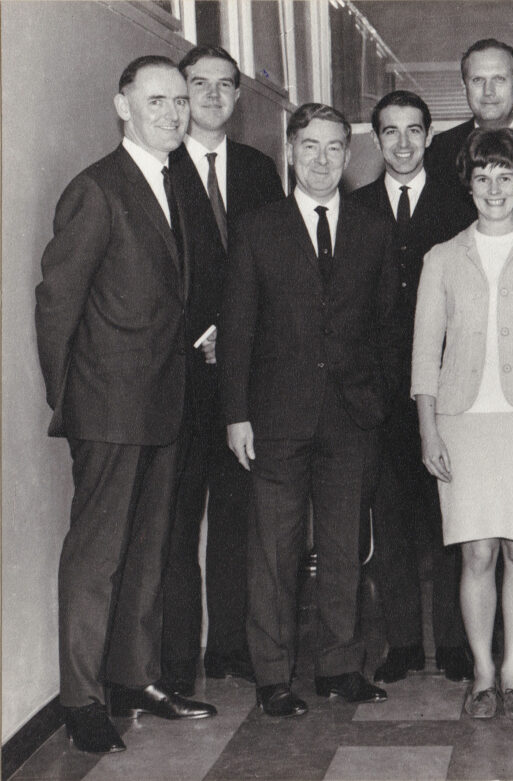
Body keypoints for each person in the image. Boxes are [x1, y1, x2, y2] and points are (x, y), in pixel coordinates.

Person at [34, 55, 216, 755]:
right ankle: (81, 699)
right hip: (108, 409)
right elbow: (57, 306)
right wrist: (73, 401)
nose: (172, 113)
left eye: (179, 102)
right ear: (123, 106)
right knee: (96, 558)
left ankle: (134, 678)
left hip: (165, 401)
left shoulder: (175, 182)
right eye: (157, 100)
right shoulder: (97, 189)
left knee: (148, 552)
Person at [218, 103, 404, 718]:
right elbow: (239, 328)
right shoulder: (256, 226)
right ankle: (273, 676)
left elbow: (384, 326)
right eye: (309, 148)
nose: (322, 161)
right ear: (289, 152)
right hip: (274, 418)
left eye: (333, 149)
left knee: (345, 547)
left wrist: (375, 398)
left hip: (352, 417)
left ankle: (339, 666)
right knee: (273, 550)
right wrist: (236, 414)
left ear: (348, 157)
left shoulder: (374, 228)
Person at [411, 128, 513, 720]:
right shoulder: (441, 257)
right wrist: (428, 428)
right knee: (476, 553)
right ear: (469, 185)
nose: (494, 188)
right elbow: (424, 352)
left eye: (504, 176)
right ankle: (481, 672)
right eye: (482, 177)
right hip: (463, 424)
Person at [161, 44, 284, 697]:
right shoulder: (162, 164)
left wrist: (240, 340)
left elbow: (276, 268)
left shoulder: (261, 171)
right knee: (180, 520)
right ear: (182, 93)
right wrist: (199, 334)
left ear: (239, 98)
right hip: (180, 377)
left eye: (224, 86)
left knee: (239, 516)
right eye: (198, 84)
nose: (211, 96)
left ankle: (229, 646)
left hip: (246, 378)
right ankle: (177, 660)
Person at [349, 90, 476, 685]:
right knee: (392, 522)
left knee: (449, 519)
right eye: (390, 132)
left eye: (413, 131)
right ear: (376, 140)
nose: (402, 143)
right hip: (378, 395)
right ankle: (403, 643)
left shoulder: (460, 206)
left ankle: (453, 643)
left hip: (450, 390)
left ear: (430, 137)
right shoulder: (353, 208)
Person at [424, 38, 513, 205]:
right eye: (477, 80)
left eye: (499, 79)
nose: (488, 91)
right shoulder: (438, 151)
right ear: (464, 88)